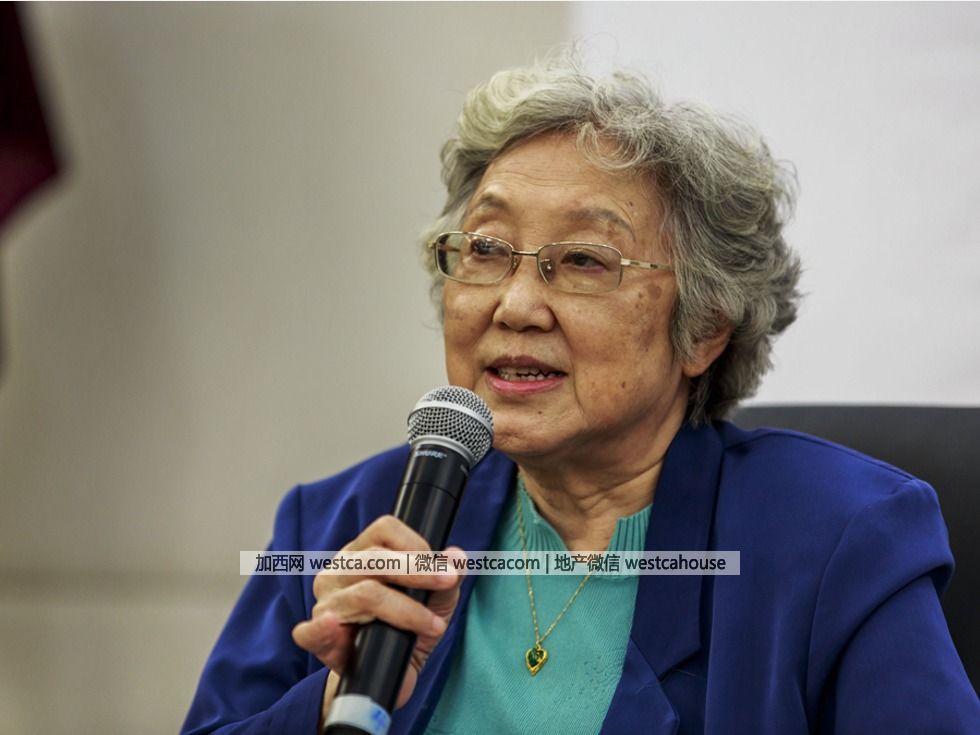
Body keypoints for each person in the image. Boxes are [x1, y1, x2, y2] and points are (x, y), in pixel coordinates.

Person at [182, 58, 980, 734]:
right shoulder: (341, 524)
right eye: (487, 249)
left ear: (705, 327)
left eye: (585, 261)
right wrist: (330, 701)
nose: (516, 305)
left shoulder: (840, 539)